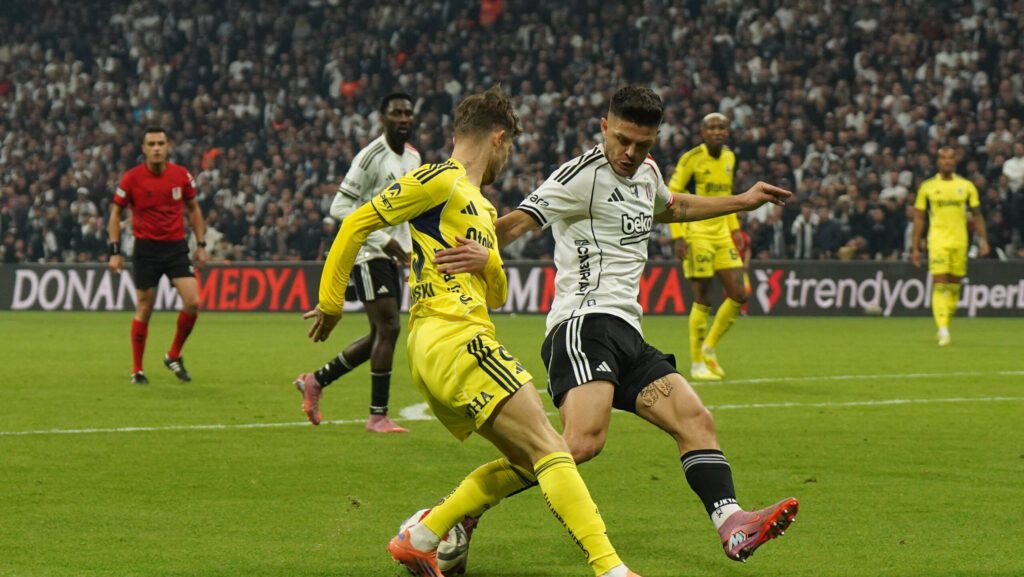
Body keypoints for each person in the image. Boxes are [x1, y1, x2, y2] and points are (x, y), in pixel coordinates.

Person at [433, 86, 797, 564]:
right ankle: (453, 513)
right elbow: (514, 224)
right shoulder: (579, 176)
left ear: (655, 139)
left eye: (642, 144)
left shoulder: (648, 173)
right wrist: (470, 250)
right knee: (581, 443)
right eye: (622, 139)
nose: (629, 152)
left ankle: (733, 524)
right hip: (582, 326)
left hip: (627, 332)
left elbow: (675, 208)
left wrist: (743, 201)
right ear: (604, 127)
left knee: (695, 421)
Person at [305, 86, 643, 577]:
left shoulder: (482, 208)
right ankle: (611, 568)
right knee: (552, 448)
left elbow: (497, 295)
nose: (507, 158)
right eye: (509, 147)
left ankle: (422, 536)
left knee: (530, 459)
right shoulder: (439, 179)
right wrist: (331, 302)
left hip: (456, 341)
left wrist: (488, 261)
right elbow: (356, 221)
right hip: (453, 337)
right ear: (498, 138)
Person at [294, 93, 420, 433]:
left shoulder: (413, 157)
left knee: (381, 332)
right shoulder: (370, 157)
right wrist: (382, 240)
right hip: (367, 251)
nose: (403, 118)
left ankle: (315, 380)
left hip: (392, 254)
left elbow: (408, 209)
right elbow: (339, 207)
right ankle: (377, 416)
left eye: (408, 113)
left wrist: (409, 250)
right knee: (389, 328)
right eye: (396, 113)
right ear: (382, 118)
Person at [108, 127, 207, 384]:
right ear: (143, 148)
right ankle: (137, 370)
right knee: (145, 307)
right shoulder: (131, 179)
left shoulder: (181, 176)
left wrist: (201, 244)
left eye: (160, 143)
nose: (156, 148)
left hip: (175, 248)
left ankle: (173, 355)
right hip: (146, 249)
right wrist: (114, 251)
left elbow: (194, 209)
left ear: (168, 146)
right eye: (151, 144)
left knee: (193, 302)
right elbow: (115, 214)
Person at [667, 113, 748, 381]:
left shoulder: (730, 158)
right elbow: (670, 195)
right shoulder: (691, 159)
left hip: (722, 234)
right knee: (703, 298)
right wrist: (678, 235)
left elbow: (726, 198)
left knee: (739, 293)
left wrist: (734, 229)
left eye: (721, 127)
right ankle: (696, 363)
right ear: (703, 132)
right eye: (711, 127)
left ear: (727, 131)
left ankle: (709, 347)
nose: (717, 131)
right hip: (697, 233)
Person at [911, 146, 989, 346]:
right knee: (939, 284)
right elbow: (919, 218)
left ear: (955, 161)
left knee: (954, 288)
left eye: (950, 158)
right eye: (943, 158)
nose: (947, 161)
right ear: (938, 162)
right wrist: (915, 248)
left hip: (960, 242)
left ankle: (944, 325)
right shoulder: (927, 187)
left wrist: (983, 240)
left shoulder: (966, 186)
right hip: (937, 241)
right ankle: (943, 330)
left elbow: (977, 215)